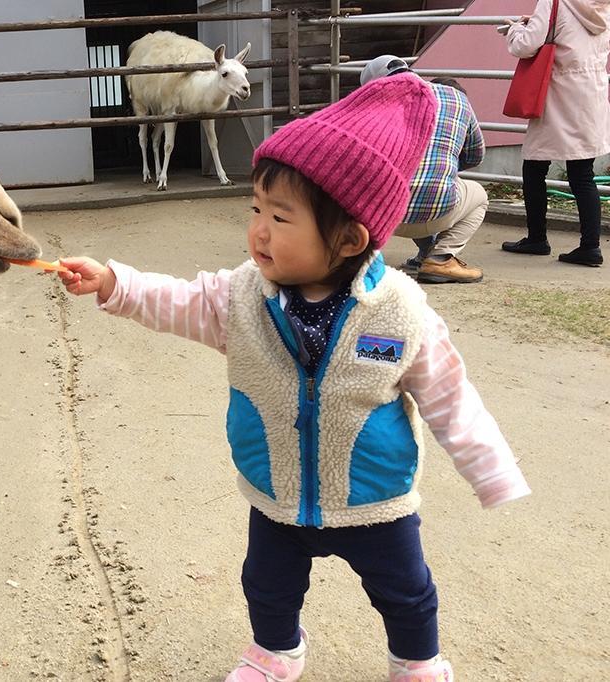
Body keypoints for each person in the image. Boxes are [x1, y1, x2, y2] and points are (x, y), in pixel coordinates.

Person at [56, 74, 531, 682]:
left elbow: (452, 400)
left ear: (350, 237)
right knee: (268, 585)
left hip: (374, 499)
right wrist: (114, 283)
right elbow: (175, 299)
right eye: (255, 208)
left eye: (280, 217)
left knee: (406, 592)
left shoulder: (401, 312)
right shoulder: (242, 297)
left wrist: (492, 472)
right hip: (277, 490)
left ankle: (416, 662)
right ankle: (277, 651)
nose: (258, 229)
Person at [360, 56, 489, 284]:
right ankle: (440, 258)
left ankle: (355, 256)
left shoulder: (372, 106)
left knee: (401, 181)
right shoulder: (456, 97)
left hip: (377, 217)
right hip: (437, 208)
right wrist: (443, 164)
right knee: (475, 194)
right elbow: (476, 155)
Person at [500, 0, 610, 267]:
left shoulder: (553, 1)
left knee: (535, 166)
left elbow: (525, 46)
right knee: (583, 174)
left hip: (557, 92)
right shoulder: (602, 6)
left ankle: (537, 238)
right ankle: (590, 246)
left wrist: (515, 29)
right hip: (590, 93)